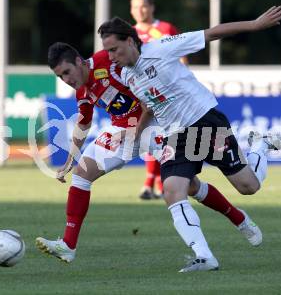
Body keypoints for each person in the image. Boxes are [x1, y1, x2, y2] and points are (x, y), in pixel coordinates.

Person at [35, 42, 263, 270]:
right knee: (82, 174)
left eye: (67, 72)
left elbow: (148, 96)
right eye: (60, 76)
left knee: (189, 186)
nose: (66, 79)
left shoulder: (109, 62)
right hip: (123, 131)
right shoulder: (83, 90)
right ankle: (68, 245)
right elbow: (84, 121)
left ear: (79, 61)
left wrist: (134, 131)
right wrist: (70, 159)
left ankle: (238, 219)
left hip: (158, 125)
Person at [99, 5, 281, 272]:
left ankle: (260, 146)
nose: (110, 56)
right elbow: (149, 106)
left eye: (113, 49)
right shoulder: (128, 75)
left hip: (205, 120)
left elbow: (210, 33)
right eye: (107, 51)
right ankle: (205, 257)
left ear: (129, 40)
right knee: (173, 191)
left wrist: (254, 25)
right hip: (176, 135)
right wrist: (135, 132)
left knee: (248, 187)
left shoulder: (161, 48)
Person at [130, 0, 185, 199]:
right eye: (135, 7)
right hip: (142, 92)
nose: (139, 10)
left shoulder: (165, 28)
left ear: (151, 7)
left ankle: (154, 183)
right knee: (152, 136)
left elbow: (181, 58)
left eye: (143, 5)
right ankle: (155, 183)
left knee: (165, 135)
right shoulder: (129, 34)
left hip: (167, 92)